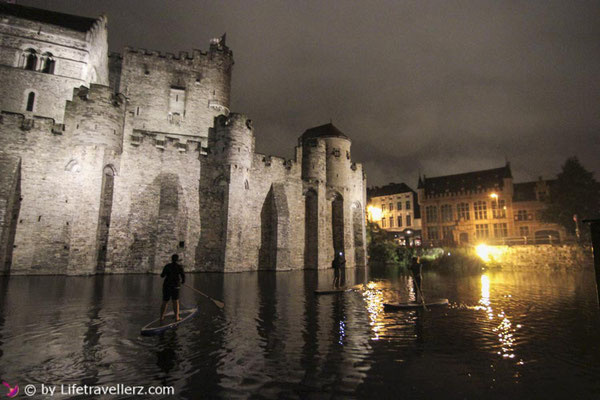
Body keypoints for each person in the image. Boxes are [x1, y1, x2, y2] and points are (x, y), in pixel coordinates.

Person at [160, 254, 186, 321]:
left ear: (171, 259)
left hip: (167, 285)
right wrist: (182, 282)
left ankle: (161, 317)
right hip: (175, 286)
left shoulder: (167, 266)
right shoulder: (180, 267)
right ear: (177, 260)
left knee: (165, 301)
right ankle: (177, 317)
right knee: (175, 301)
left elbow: (162, 275)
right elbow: (183, 277)